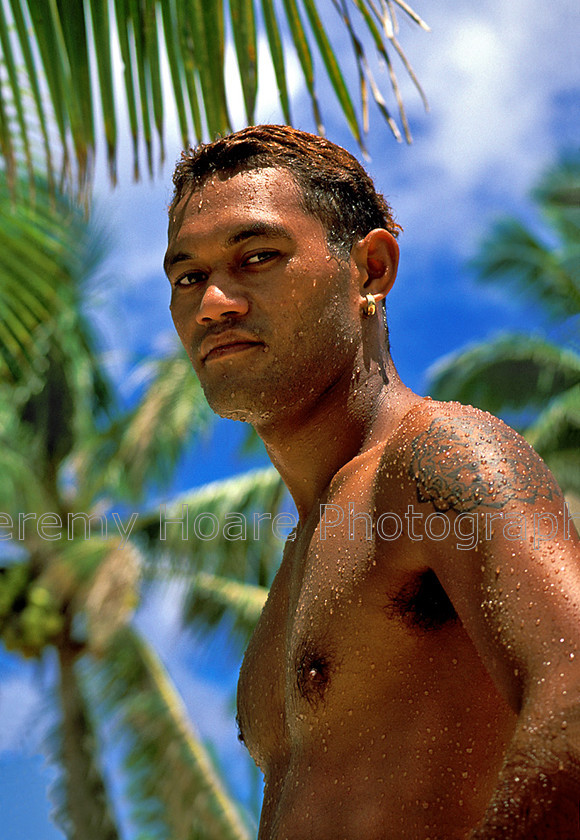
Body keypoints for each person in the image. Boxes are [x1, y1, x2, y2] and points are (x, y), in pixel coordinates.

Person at [163, 125, 580, 839]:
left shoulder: (438, 456)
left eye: (257, 257)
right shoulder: (304, 558)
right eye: (188, 277)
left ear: (372, 269)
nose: (214, 303)